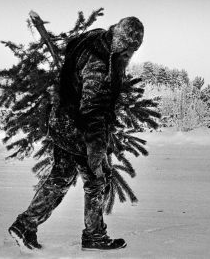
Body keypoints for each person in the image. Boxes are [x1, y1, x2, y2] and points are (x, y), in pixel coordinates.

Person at [8, 17, 144, 251]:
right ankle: (94, 236)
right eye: (129, 50)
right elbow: (91, 110)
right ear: (123, 43)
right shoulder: (100, 64)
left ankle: (25, 225)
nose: (129, 55)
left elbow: (72, 44)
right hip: (77, 129)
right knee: (97, 180)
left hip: (61, 120)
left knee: (60, 177)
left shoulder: (96, 36)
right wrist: (96, 149)